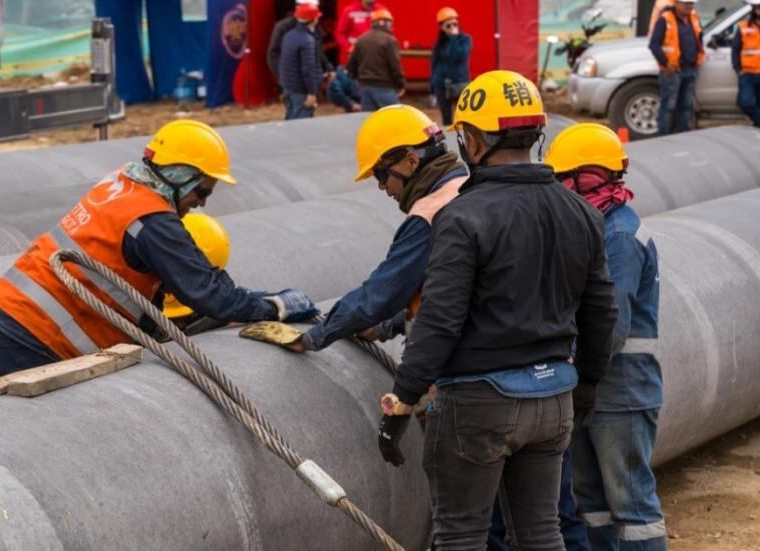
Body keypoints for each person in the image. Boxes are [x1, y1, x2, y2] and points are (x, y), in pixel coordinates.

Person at [376, 70, 618, 550]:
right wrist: (588, 382)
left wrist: (402, 400)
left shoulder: (462, 216)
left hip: (480, 403)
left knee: (461, 534)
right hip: (553, 401)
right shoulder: (582, 213)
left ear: (471, 138)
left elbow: (440, 319)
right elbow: (601, 311)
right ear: (536, 134)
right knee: (541, 531)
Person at [0, 119, 319, 386]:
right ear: (182, 176)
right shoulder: (152, 221)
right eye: (202, 192)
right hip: (32, 343)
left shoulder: (121, 183)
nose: (201, 203)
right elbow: (210, 295)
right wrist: (275, 306)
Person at [254, 105, 467, 354]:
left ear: (411, 161)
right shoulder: (467, 188)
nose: (381, 187)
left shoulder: (430, 216)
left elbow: (381, 293)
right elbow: (454, 291)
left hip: (462, 367)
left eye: (380, 175)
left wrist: (313, 338)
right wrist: (386, 325)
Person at [546, 123, 668, 551]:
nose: (558, 191)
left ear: (588, 177)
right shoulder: (592, 229)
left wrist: (575, 370)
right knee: (592, 502)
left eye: (563, 180)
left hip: (621, 392)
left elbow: (611, 325)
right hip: (590, 387)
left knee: (631, 507)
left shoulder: (618, 235)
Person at [648, 0, 703, 135]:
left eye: (691, 3)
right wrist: (666, 64)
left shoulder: (694, 17)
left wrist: (698, 57)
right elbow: (654, 44)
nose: (688, 6)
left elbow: (699, 37)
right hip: (672, 71)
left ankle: (683, 136)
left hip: (690, 69)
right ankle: (663, 137)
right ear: (676, 4)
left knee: (686, 106)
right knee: (668, 106)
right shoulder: (665, 19)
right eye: (685, 3)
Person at [346, 9, 405, 111]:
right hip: (384, 87)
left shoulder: (361, 39)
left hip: (365, 88)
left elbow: (351, 65)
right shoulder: (389, 40)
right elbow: (395, 65)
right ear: (388, 23)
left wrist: (360, 79)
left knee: (369, 120)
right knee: (393, 118)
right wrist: (400, 84)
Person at [267, 0, 334, 84]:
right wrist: (282, 75)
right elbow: (273, 53)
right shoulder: (283, 27)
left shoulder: (316, 27)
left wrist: (328, 68)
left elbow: (318, 51)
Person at [279, 3, 324, 120]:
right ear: (313, 19)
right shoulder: (307, 40)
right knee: (301, 127)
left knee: (291, 120)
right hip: (301, 91)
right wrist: (312, 93)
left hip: (289, 88)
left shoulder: (288, 35)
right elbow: (308, 69)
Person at [430, 7, 473, 126]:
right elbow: (434, 65)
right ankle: (450, 140)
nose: (452, 27)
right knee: (446, 118)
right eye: (448, 25)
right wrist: (432, 89)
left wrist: (453, 38)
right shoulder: (439, 44)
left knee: (465, 116)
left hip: (460, 83)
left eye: (454, 24)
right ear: (441, 27)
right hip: (441, 84)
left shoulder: (465, 39)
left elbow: (460, 55)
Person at [733, 0, 760, 131]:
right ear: (754, 9)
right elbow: (735, 50)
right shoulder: (743, 26)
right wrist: (738, 69)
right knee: (744, 103)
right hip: (748, 74)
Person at [334, 0, 388, 65]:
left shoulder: (382, 10)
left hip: (377, 56)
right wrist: (349, 49)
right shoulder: (350, 11)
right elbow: (340, 34)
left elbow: (388, 33)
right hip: (357, 57)